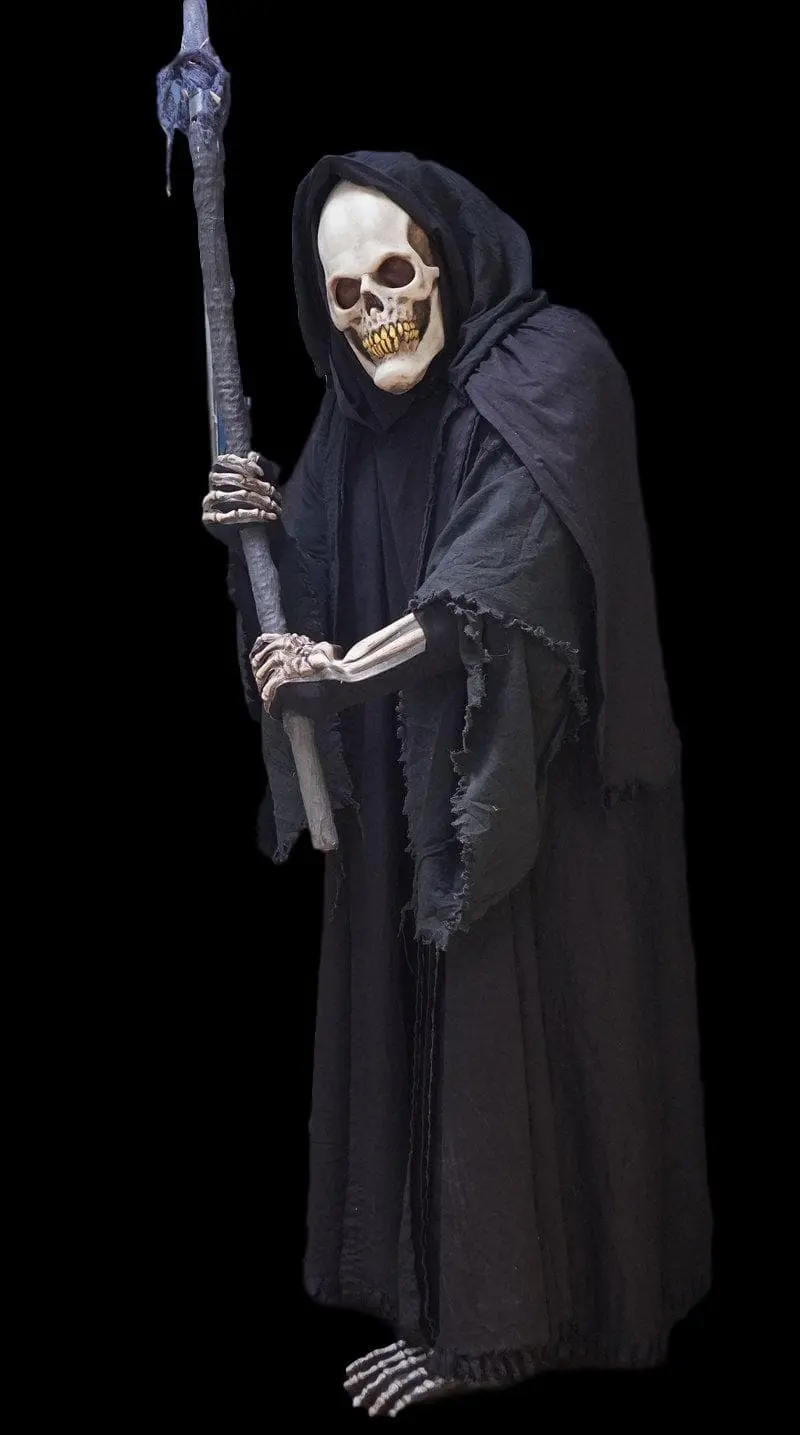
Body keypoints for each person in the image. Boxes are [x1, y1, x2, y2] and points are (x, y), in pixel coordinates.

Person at [201, 151, 713, 1414]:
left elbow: (492, 584)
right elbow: (309, 598)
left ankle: (505, 1325)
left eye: (392, 276)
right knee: (436, 1015)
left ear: (439, 259)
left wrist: (341, 669)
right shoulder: (356, 418)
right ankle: (447, 1294)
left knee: (529, 1015)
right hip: (417, 799)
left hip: (537, 794)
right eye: (343, 296)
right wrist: (260, 535)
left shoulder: (556, 370)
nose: (372, 314)